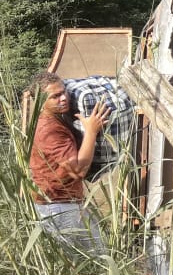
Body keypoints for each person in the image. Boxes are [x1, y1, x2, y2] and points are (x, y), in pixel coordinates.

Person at [28, 71, 111, 255]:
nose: (63, 98)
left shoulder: (57, 119)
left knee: (100, 255)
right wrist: (91, 131)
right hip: (57, 208)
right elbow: (78, 170)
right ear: (41, 101)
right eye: (55, 96)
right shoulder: (48, 130)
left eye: (64, 92)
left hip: (68, 204)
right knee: (96, 260)